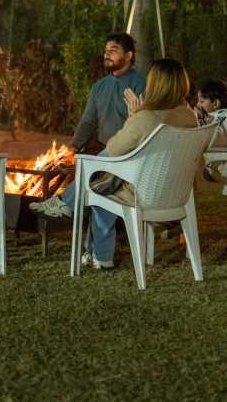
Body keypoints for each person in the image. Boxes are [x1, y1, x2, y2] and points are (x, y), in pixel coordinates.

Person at [42, 58, 201, 269]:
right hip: (176, 193)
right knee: (102, 182)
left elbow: (115, 147)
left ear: (156, 84)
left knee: (99, 186)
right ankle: (88, 241)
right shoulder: (189, 116)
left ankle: (71, 207)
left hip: (143, 193)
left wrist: (134, 116)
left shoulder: (148, 117)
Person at [30, 32, 146, 218]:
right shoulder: (98, 87)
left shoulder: (142, 84)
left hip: (127, 150)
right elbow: (88, 122)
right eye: (105, 50)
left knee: (91, 168)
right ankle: (72, 212)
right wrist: (73, 147)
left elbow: (145, 125)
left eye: (113, 50)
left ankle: (63, 205)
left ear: (128, 55)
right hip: (101, 147)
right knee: (71, 164)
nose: (106, 54)